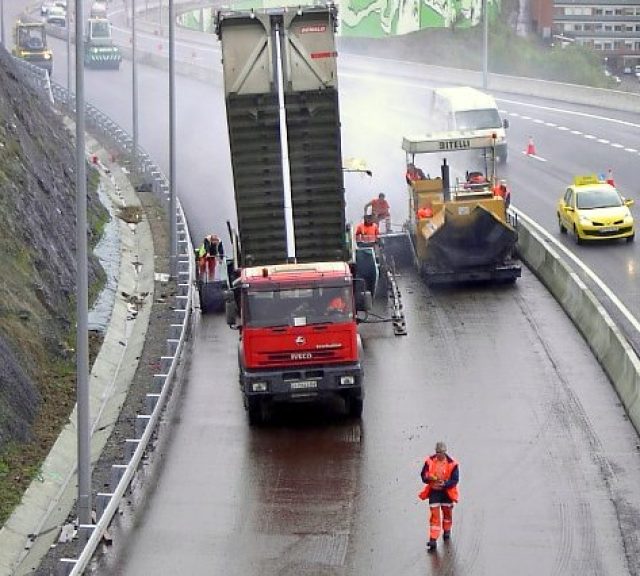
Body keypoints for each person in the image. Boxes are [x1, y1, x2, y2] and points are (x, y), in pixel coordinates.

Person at [418, 441, 460, 552]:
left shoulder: (452, 464)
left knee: (447, 514)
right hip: (434, 492)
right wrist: (428, 478)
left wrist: (445, 484)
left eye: (441, 453)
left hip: (447, 493)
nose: (439, 455)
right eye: (438, 453)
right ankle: (433, 540)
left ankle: (447, 531)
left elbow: (455, 480)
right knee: (434, 516)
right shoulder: (430, 461)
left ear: (445, 453)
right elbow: (423, 476)